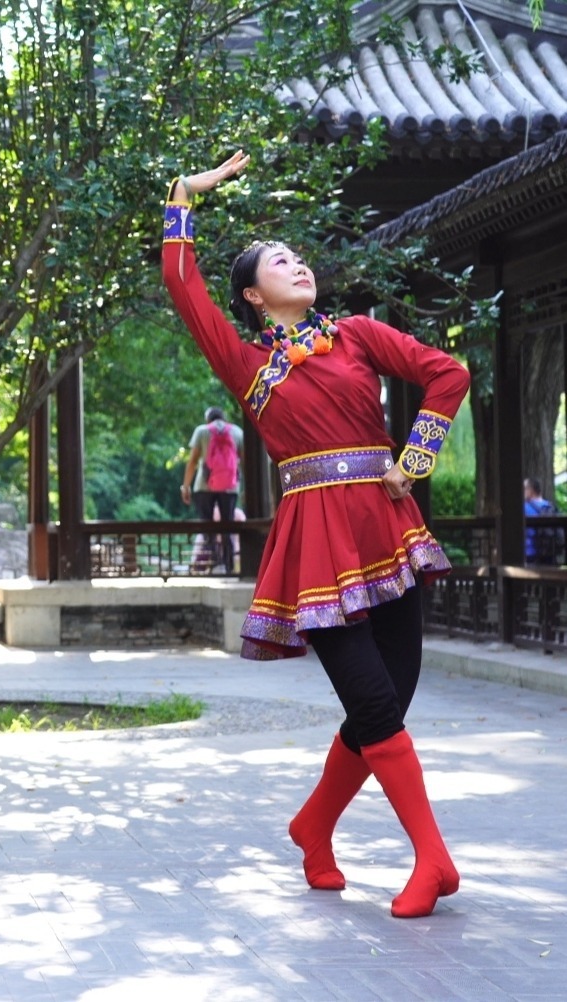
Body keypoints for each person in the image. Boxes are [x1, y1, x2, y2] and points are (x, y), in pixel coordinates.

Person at [162, 152, 471, 919]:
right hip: (315, 546)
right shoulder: (244, 365)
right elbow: (179, 283)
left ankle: (313, 826)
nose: (296, 266)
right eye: (278, 262)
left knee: (386, 700)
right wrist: (182, 199)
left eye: (299, 259)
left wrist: (415, 456)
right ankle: (432, 860)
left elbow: (449, 375)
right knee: (372, 700)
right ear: (251, 295)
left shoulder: (360, 335)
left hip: (388, 529)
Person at [180, 405, 244, 572]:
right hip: (230, 486)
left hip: (204, 485)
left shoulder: (202, 431)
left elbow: (193, 461)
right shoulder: (237, 432)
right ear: (224, 418)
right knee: (227, 526)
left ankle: (213, 565)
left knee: (207, 526)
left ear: (208, 419)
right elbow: (244, 462)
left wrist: (185, 486)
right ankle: (229, 567)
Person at [523, 477, 562, 565]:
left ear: (530, 490)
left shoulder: (523, 508)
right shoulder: (551, 507)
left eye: (524, 489)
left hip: (530, 555)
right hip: (551, 554)